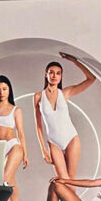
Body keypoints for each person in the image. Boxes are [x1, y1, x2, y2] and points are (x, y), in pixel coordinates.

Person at [34, 53, 96, 183]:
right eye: (51, 72)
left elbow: (91, 79)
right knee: (63, 180)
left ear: (61, 76)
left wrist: (74, 60)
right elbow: (38, 126)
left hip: (71, 138)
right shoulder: (38, 96)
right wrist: (43, 150)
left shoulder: (65, 93)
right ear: (46, 74)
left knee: (71, 178)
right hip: (53, 142)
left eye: (58, 73)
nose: (54, 76)